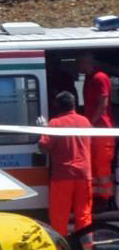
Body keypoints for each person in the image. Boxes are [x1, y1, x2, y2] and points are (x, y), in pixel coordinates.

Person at [38, 91, 92, 236]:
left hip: (63, 175)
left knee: (59, 216)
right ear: (74, 104)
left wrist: (42, 130)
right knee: (84, 214)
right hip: (84, 174)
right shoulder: (85, 121)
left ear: (57, 106)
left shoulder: (54, 124)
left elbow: (43, 147)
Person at [77, 53, 116, 212]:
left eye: (80, 63)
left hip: (102, 129)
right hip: (93, 129)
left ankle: (106, 200)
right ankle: (95, 198)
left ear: (88, 63)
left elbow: (103, 103)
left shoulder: (100, 77)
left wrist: (90, 124)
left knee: (102, 166)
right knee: (92, 164)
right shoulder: (89, 79)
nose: (78, 67)